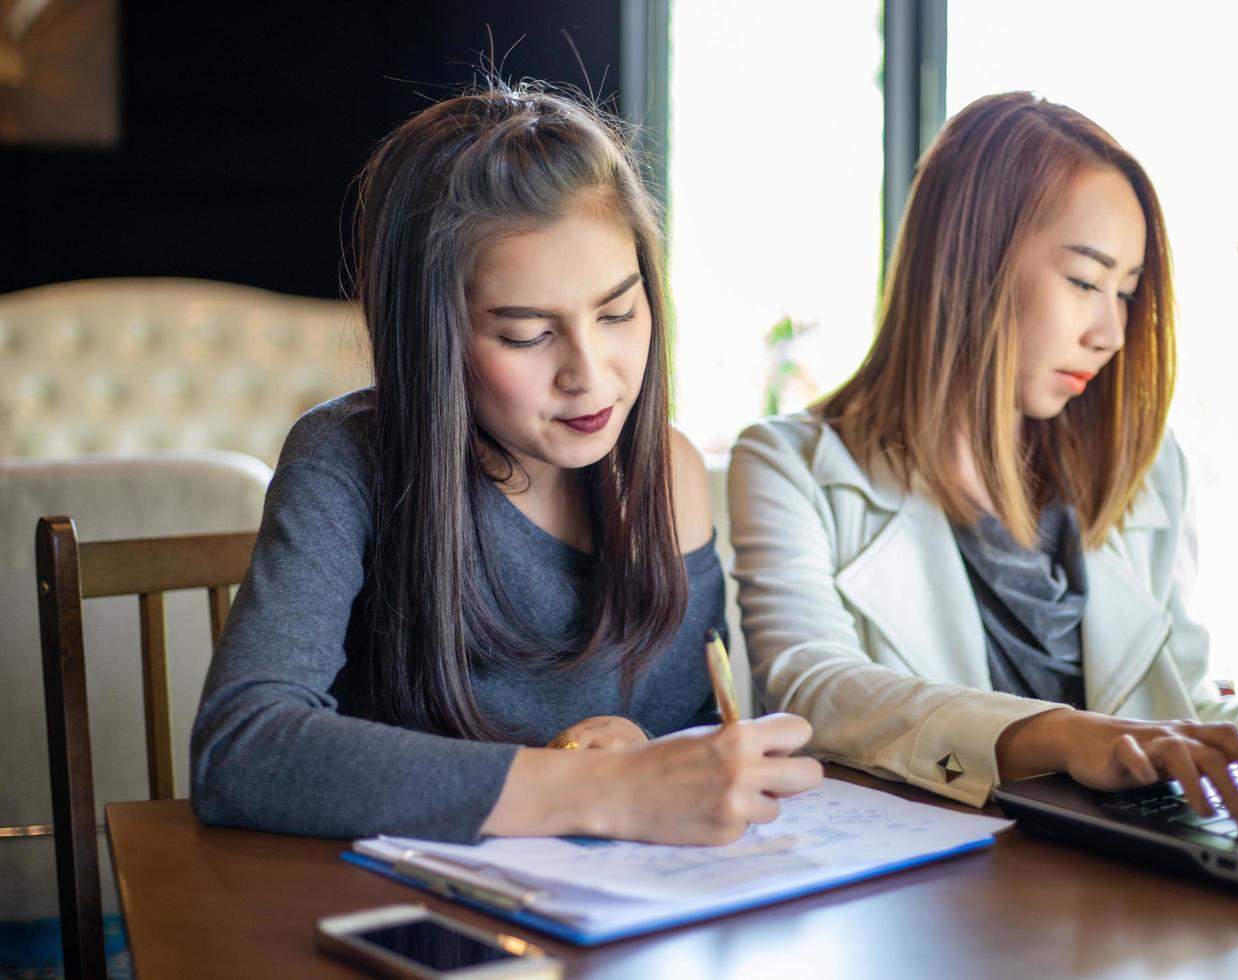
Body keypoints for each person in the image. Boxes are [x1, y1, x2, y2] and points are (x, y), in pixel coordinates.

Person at [728, 91, 1238, 835]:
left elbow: (1187, 717)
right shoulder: (793, 466)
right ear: (968, 262)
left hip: (1118, 890)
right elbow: (816, 691)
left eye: (1128, 293)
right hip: (927, 901)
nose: (1111, 330)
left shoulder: (1142, 469)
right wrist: (1065, 734)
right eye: (1083, 281)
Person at [191, 83, 821, 845]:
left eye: (618, 313)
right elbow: (243, 749)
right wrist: (597, 787)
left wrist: (648, 757)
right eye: (527, 335)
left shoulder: (670, 474)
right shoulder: (345, 461)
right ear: (434, 336)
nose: (589, 373)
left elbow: (684, 738)